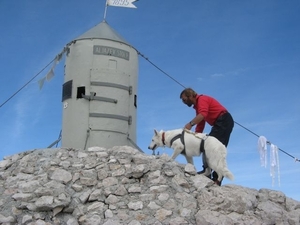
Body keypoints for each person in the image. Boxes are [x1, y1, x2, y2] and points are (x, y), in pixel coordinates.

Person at [180, 88, 234, 185]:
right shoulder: (197, 106)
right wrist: (196, 135)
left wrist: (190, 124)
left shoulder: (202, 99)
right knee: (207, 146)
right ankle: (210, 174)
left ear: (190, 96)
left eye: (184, 99)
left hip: (223, 121)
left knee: (213, 148)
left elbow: (203, 115)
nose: (184, 102)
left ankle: (214, 177)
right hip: (221, 122)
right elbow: (201, 122)